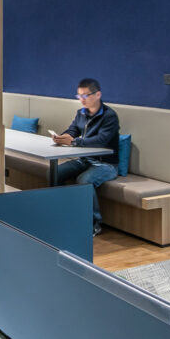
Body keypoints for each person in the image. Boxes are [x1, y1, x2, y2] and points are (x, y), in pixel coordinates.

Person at [52, 78, 120, 236]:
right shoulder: (81, 113)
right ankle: (65, 214)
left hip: (106, 164)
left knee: (84, 180)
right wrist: (62, 137)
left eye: (85, 96)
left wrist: (74, 141)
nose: (81, 100)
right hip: (85, 159)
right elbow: (73, 129)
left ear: (98, 95)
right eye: (79, 96)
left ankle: (94, 223)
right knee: (55, 173)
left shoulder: (109, 116)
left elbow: (102, 140)